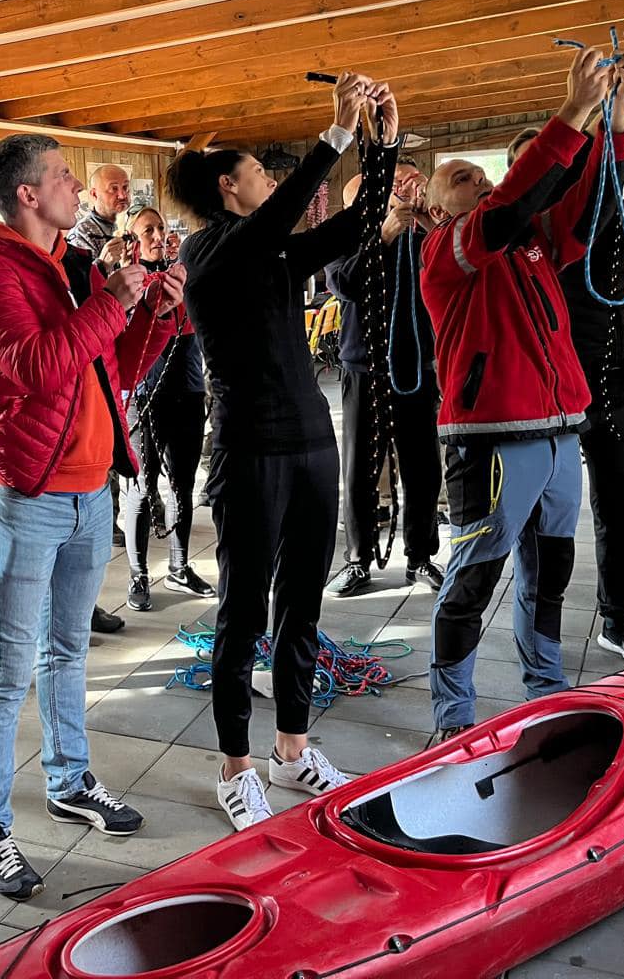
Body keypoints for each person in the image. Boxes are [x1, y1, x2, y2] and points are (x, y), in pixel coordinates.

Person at [0, 133, 181, 899]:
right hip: (28, 492)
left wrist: (154, 316)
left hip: (89, 489)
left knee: (67, 650)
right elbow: (36, 365)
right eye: (62, 176)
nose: (78, 188)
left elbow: (107, 365)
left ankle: (69, 780)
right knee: (7, 667)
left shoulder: (72, 264)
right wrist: (112, 301)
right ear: (27, 193)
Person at [171, 75, 398, 832]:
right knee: (242, 612)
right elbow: (275, 219)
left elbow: (357, 224)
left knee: (302, 603)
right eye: (259, 174)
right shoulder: (209, 251)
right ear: (227, 187)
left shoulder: (270, 253)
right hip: (250, 450)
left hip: (310, 442)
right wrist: (334, 136)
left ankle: (292, 751)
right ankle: (236, 767)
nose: (270, 182)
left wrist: (382, 144)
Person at [419, 43, 624, 738]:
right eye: (462, 178)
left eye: (484, 174)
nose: (481, 181)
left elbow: (592, 199)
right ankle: (454, 716)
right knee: (475, 578)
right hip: (489, 439)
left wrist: (616, 117)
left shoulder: (535, 243)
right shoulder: (443, 251)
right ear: (435, 207)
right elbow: (511, 202)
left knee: (550, 573)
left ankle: (544, 689)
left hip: (559, 432)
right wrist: (573, 109)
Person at [523, 69, 624, 667]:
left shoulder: (611, 220)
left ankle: (617, 620)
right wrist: (614, 110)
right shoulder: (526, 233)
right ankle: (536, 624)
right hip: (550, 384)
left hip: (614, 379)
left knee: (618, 508)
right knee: (542, 514)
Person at [325, 161, 445, 597]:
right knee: (360, 469)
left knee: (422, 467)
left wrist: (430, 224)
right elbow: (344, 284)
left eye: (412, 179)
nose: (406, 187)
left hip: (417, 366)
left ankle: (421, 555)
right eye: (395, 182)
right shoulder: (347, 235)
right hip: (365, 367)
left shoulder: (427, 231)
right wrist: (383, 237)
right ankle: (358, 559)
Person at [120, 201, 215, 611]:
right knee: (142, 487)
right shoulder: (125, 282)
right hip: (144, 394)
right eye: (148, 231)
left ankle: (179, 565)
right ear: (132, 239)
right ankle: (138, 573)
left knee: (182, 483)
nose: (158, 237)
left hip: (187, 389)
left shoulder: (182, 274)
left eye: (160, 229)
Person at [69, 162, 137, 603]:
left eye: (125, 187)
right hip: (88, 367)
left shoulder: (125, 230)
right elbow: (81, 310)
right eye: (113, 188)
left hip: (117, 356)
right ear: (92, 195)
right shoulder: (81, 241)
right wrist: (104, 266)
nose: (122, 194)